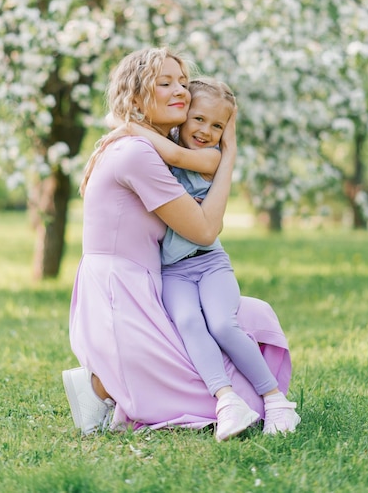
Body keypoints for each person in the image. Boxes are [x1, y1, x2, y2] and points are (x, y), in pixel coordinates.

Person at [62, 47, 300, 441]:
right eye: (166, 83)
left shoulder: (151, 145)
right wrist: (230, 155)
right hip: (124, 292)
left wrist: (225, 150)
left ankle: (107, 382)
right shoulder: (137, 153)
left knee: (248, 318)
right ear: (136, 97)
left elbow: (200, 163)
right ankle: (101, 385)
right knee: (222, 400)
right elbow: (206, 231)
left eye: (184, 83)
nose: (181, 92)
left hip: (151, 279)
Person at [129, 77, 300, 437]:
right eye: (200, 119)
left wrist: (124, 125)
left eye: (218, 125)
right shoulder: (157, 150)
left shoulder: (209, 157)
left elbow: (174, 155)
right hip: (173, 271)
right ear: (183, 115)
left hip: (210, 264)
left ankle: (276, 401)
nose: (207, 131)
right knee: (189, 322)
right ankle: (227, 401)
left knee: (222, 323)